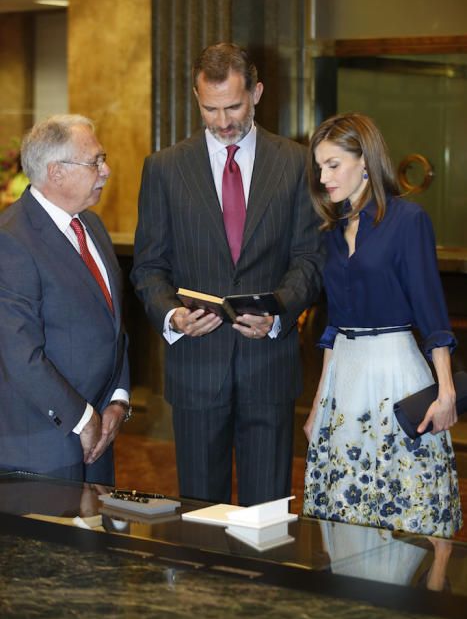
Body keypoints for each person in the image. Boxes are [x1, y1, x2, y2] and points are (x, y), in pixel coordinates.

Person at [131, 43, 324, 506]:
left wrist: (278, 313)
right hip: (196, 365)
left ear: (256, 92)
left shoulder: (296, 163)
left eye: (233, 106)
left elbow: (311, 259)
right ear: (196, 98)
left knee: (268, 513)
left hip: (268, 366)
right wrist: (172, 316)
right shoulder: (164, 169)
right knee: (199, 513)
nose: (222, 121)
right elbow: (148, 267)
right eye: (210, 108)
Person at [303, 112, 462, 537]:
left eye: (333, 165)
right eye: (320, 167)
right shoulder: (330, 233)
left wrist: (446, 392)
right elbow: (333, 325)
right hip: (345, 378)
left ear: (366, 161)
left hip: (395, 371)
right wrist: (319, 403)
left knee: (404, 502)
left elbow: (432, 315)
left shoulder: (408, 221)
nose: (323, 177)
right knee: (345, 501)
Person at [0, 114, 130, 484]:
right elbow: (18, 354)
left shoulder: (93, 226)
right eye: (95, 162)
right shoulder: (12, 240)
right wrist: (81, 418)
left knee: (98, 542)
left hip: (101, 438)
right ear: (55, 172)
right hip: (43, 449)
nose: (105, 171)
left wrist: (118, 401)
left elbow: (113, 328)